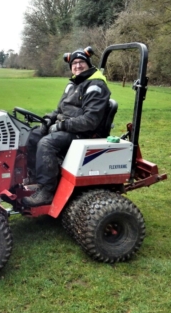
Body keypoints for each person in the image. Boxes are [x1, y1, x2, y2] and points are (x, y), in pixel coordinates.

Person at [23, 47, 111, 207]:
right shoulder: (73, 84)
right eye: (74, 63)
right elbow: (59, 109)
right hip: (68, 127)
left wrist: (61, 126)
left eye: (81, 62)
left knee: (46, 143)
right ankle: (36, 179)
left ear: (88, 64)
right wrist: (48, 120)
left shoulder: (96, 86)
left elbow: (90, 120)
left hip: (85, 132)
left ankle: (47, 191)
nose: (77, 66)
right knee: (34, 134)